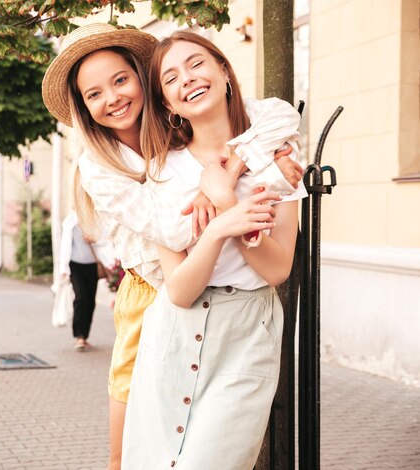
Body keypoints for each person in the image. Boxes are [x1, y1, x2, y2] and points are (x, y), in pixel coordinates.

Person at [42, 23, 303, 469]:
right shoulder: (103, 166)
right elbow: (171, 227)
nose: (113, 98)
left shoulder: (179, 129)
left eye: (121, 81)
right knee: (134, 453)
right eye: (94, 94)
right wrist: (218, 198)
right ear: (84, 109)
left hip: (232, 307)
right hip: (152, 292)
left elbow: (280, 115)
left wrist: (233, 170)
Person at [121, 31, 308, 469]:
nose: (187, 79)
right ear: (167, 103)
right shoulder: (162, 172)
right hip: (174, 332)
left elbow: (278, 269)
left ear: (224, 71)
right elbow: (180, 291)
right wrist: (221, 227)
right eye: (170, 78)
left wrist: (224, 195)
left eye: (196, 64)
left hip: (247, 332)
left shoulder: (278, 157)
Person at [58, 210, 103, 351]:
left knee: (90, 301)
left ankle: (85, 335)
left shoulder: (95, 218)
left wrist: (94, 239)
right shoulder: (70, 220)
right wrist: (63, 268)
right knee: (81, 297)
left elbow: (105, 240)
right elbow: (65, 245)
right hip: (75, 265)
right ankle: (79, 336)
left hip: (92, 266)